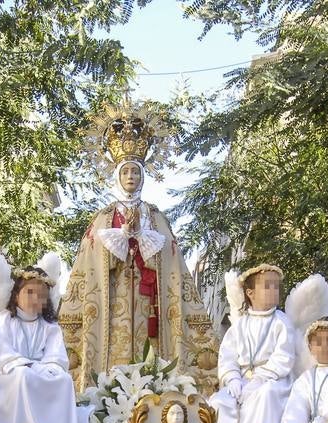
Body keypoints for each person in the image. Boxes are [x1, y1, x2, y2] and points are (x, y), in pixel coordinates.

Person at [59, 105, 217, 388]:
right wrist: (120, 240)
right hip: (111, 302)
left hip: (150, 306)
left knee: (149, 365)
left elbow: (172, 264)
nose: (131, 176)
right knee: (113, 369)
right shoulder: (103, 218)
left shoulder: (156, 218)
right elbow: (90, 262)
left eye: (136, 172)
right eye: (126, 172)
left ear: (143, 176)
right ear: (117, 176)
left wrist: (141, 241)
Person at [0, 264, 84, 423]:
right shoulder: (4, 320)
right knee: (23, 377)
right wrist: (29, 366)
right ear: (16, 295)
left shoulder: (50, 327)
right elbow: (2, 352)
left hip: (42, 372)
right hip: (11, 375)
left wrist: (45, 368)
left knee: (65, 380)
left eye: (41, 295)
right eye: (30, 292)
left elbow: (56, 357)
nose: (35, 299)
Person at [208, 265, 296, 423]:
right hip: (241, 380)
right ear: (250, 293)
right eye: (267, 286)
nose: (274, 291)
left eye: (276, 287)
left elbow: (284, 356)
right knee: (219, 402)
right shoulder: (240, 325)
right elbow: (228, 356)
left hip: (273, 380)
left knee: (264, 396)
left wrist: (259, 379)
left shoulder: (281, 322)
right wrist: (232, 379)